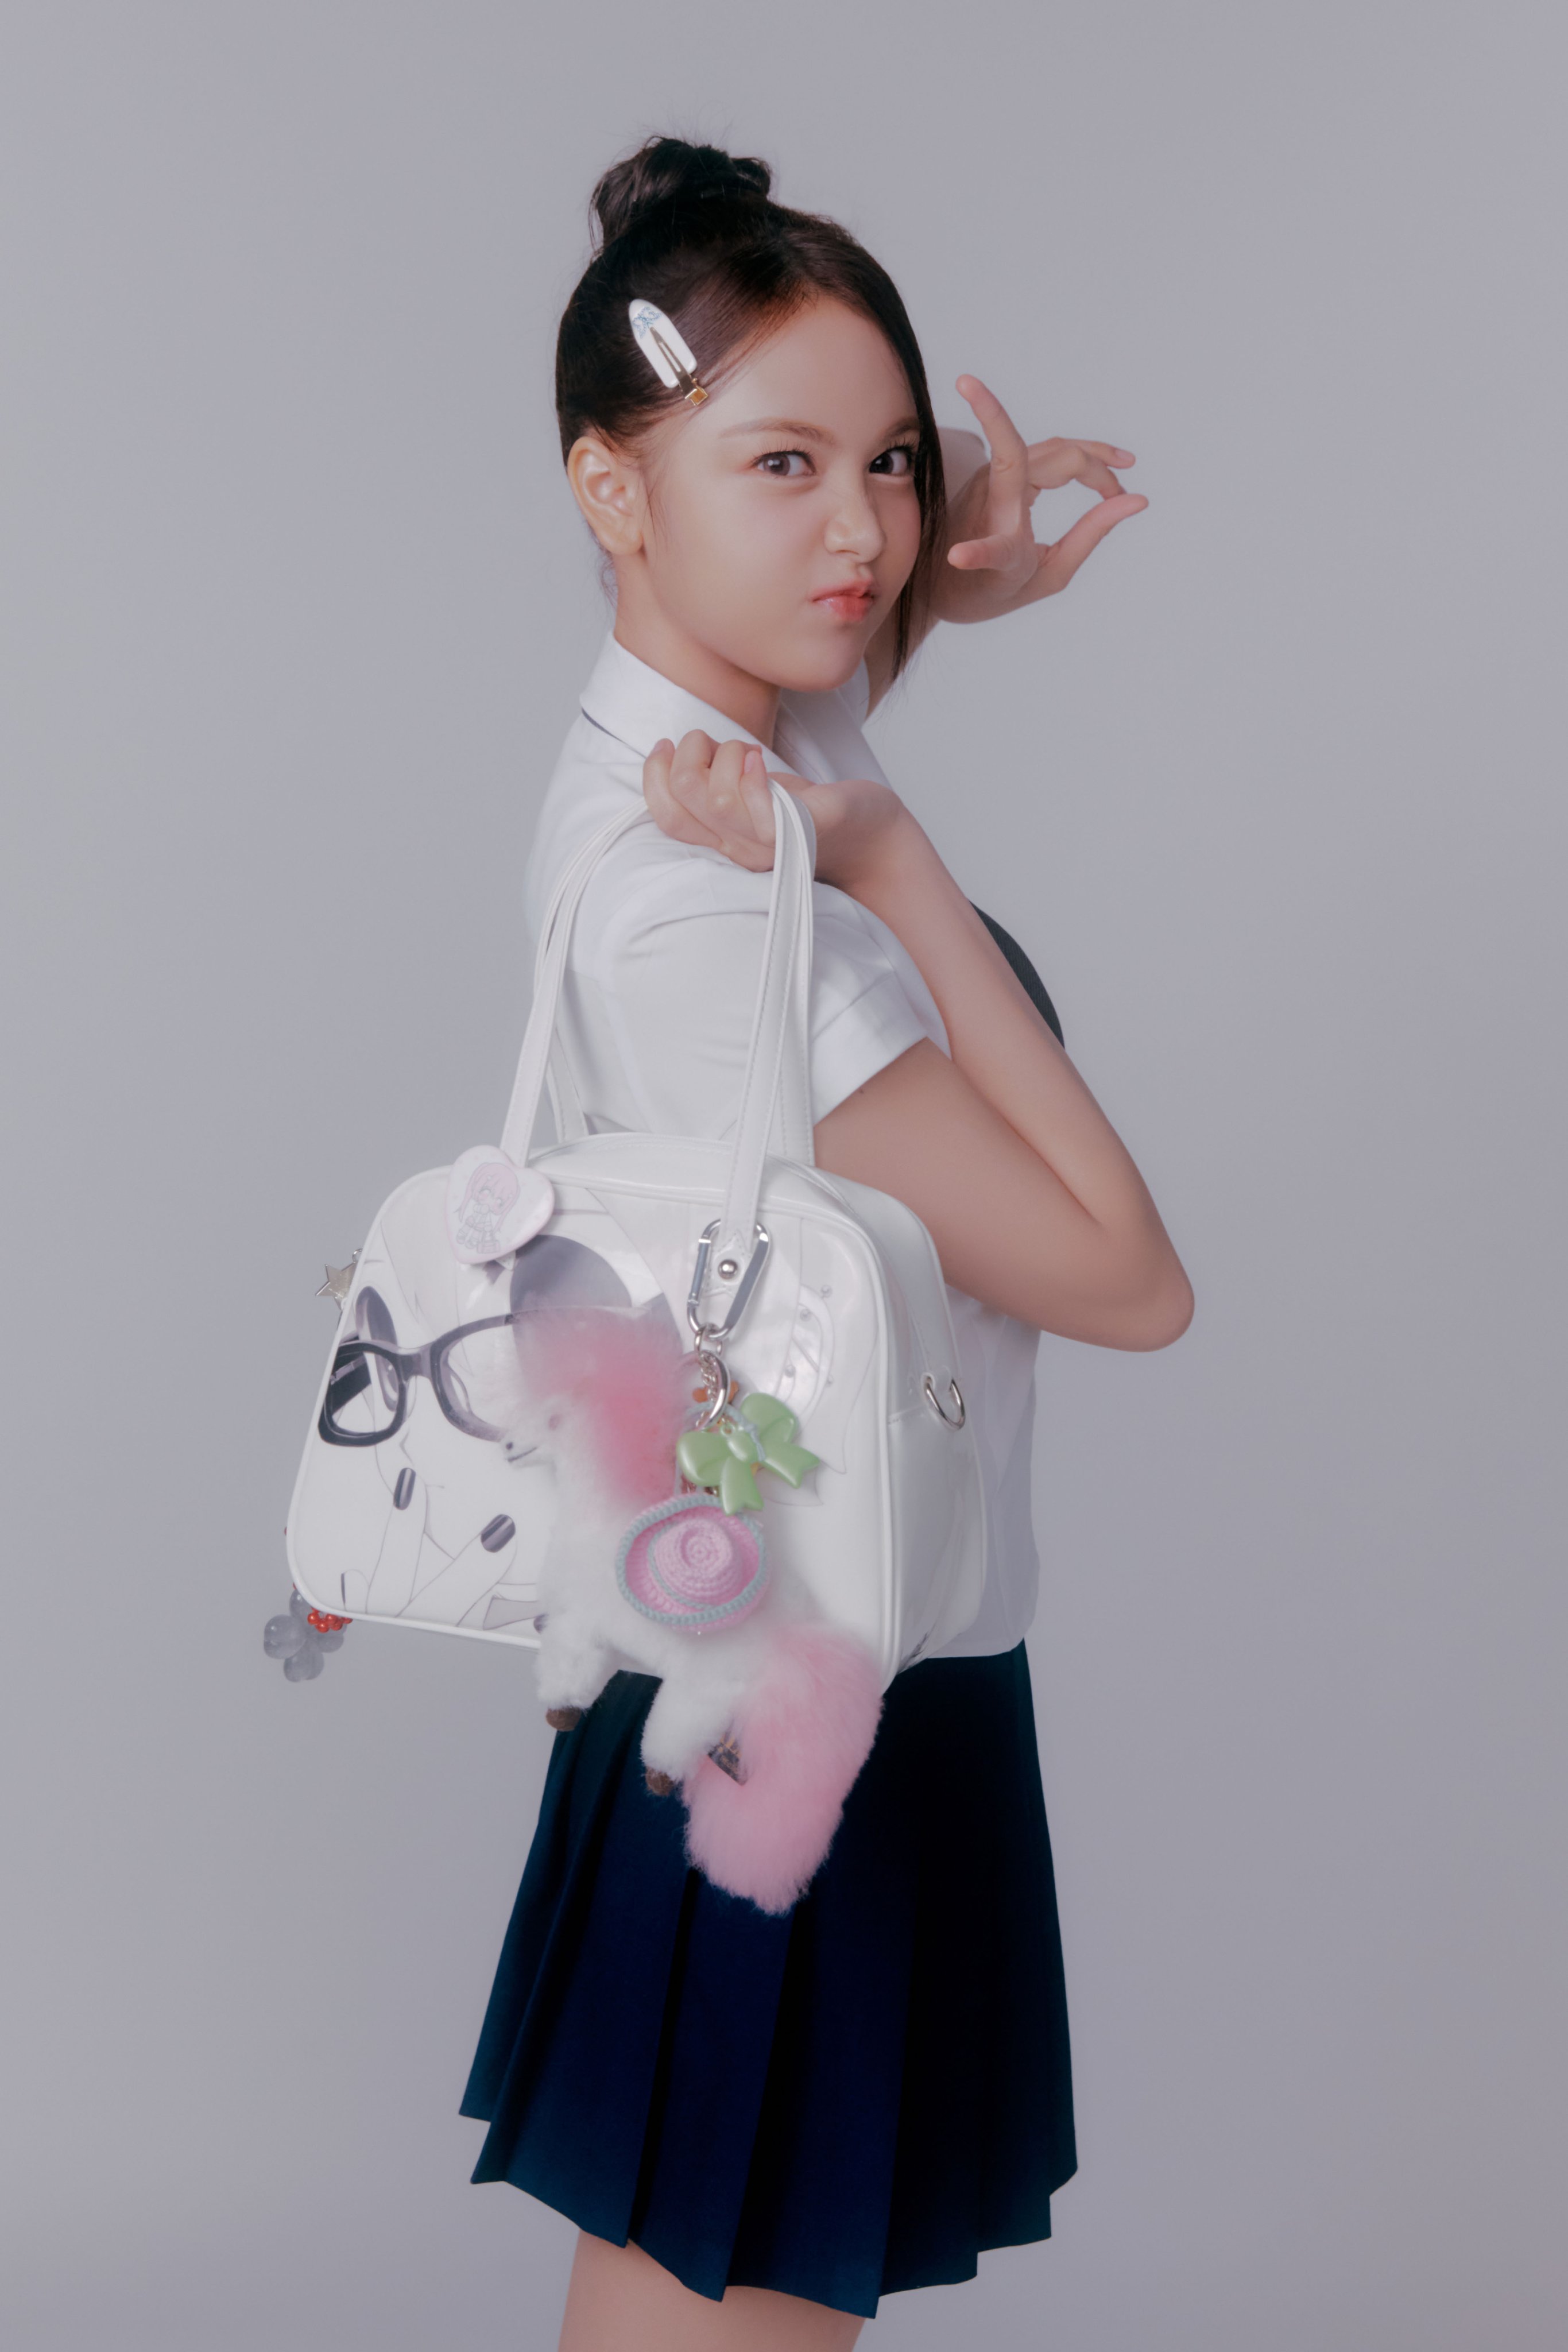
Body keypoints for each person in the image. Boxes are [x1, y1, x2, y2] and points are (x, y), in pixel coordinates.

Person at [459, 136, 1193, 2352]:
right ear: (610, 488)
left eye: (884, 462)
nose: (860, 534)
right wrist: (896, 871)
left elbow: (816, 665)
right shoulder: (731, 896)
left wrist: (943, 586)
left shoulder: (697, 751)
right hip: (803, 1697)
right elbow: (1123, 1276)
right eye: (779, 465)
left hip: (789, 1638)